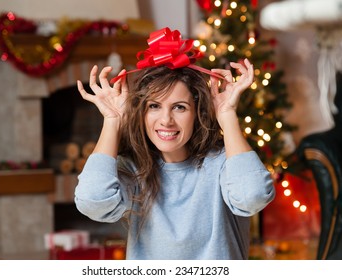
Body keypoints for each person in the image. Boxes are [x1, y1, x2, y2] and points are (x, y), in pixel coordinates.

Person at [74, 28, 275, 260]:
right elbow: (92, 202)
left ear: (196, 112)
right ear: (141, 113)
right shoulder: (133, 168)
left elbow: (254, 196)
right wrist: (112, 120)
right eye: (154, 106)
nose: (166, 120)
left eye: (179, 107)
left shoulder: (223, 163)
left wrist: (227, 114)